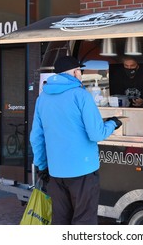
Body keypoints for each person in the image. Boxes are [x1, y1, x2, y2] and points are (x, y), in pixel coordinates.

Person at [30, 55, 122, 225]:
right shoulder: (81, 96)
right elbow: (96, 134)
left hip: (56, 172)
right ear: (74, 72)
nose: (81, 74)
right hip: (83, 171)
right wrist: (113, 124)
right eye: (79, 70)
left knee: (61, 220)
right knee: (84, 221)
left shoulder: (42, 98)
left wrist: (41, 166)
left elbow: (36, 137)